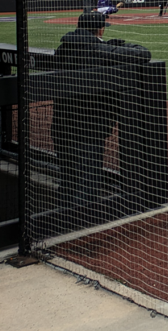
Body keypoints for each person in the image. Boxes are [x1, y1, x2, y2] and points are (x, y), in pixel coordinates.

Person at [52, 11, 152, 210]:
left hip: (61, 124)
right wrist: (116, 45)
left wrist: (106, 45)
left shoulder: (63, 48)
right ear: (100, 29)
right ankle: (82, 224)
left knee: (67, 181)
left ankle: (62, 217)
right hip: (90, 128)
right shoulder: (100, 50)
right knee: (87, 185)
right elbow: (143, 53)